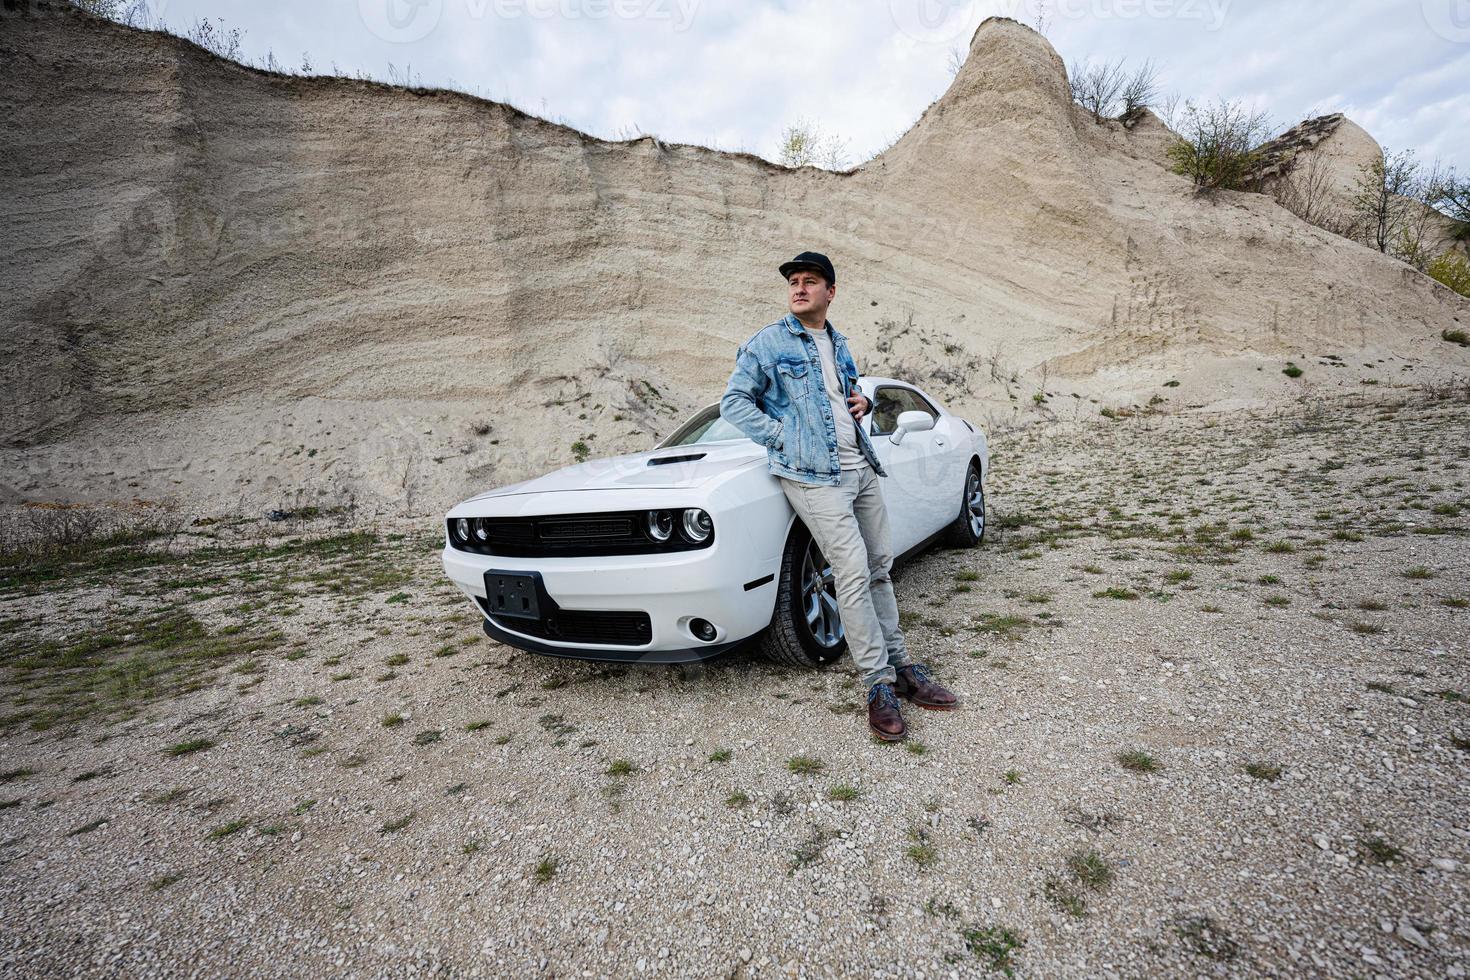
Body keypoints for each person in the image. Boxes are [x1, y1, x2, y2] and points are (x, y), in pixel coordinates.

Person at [719, 250, 959, 741]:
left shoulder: (839, 342)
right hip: (811, 475)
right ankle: (877, 685)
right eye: (794, 282)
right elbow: (734, 403)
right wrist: (783, 435)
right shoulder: (768, 343)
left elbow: (845, 393)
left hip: (860, 468)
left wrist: (864, 401)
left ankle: (901, 667)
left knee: (878, 569)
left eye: (811, 281)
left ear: (831, 291)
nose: (799, 288)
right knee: (849, 573)